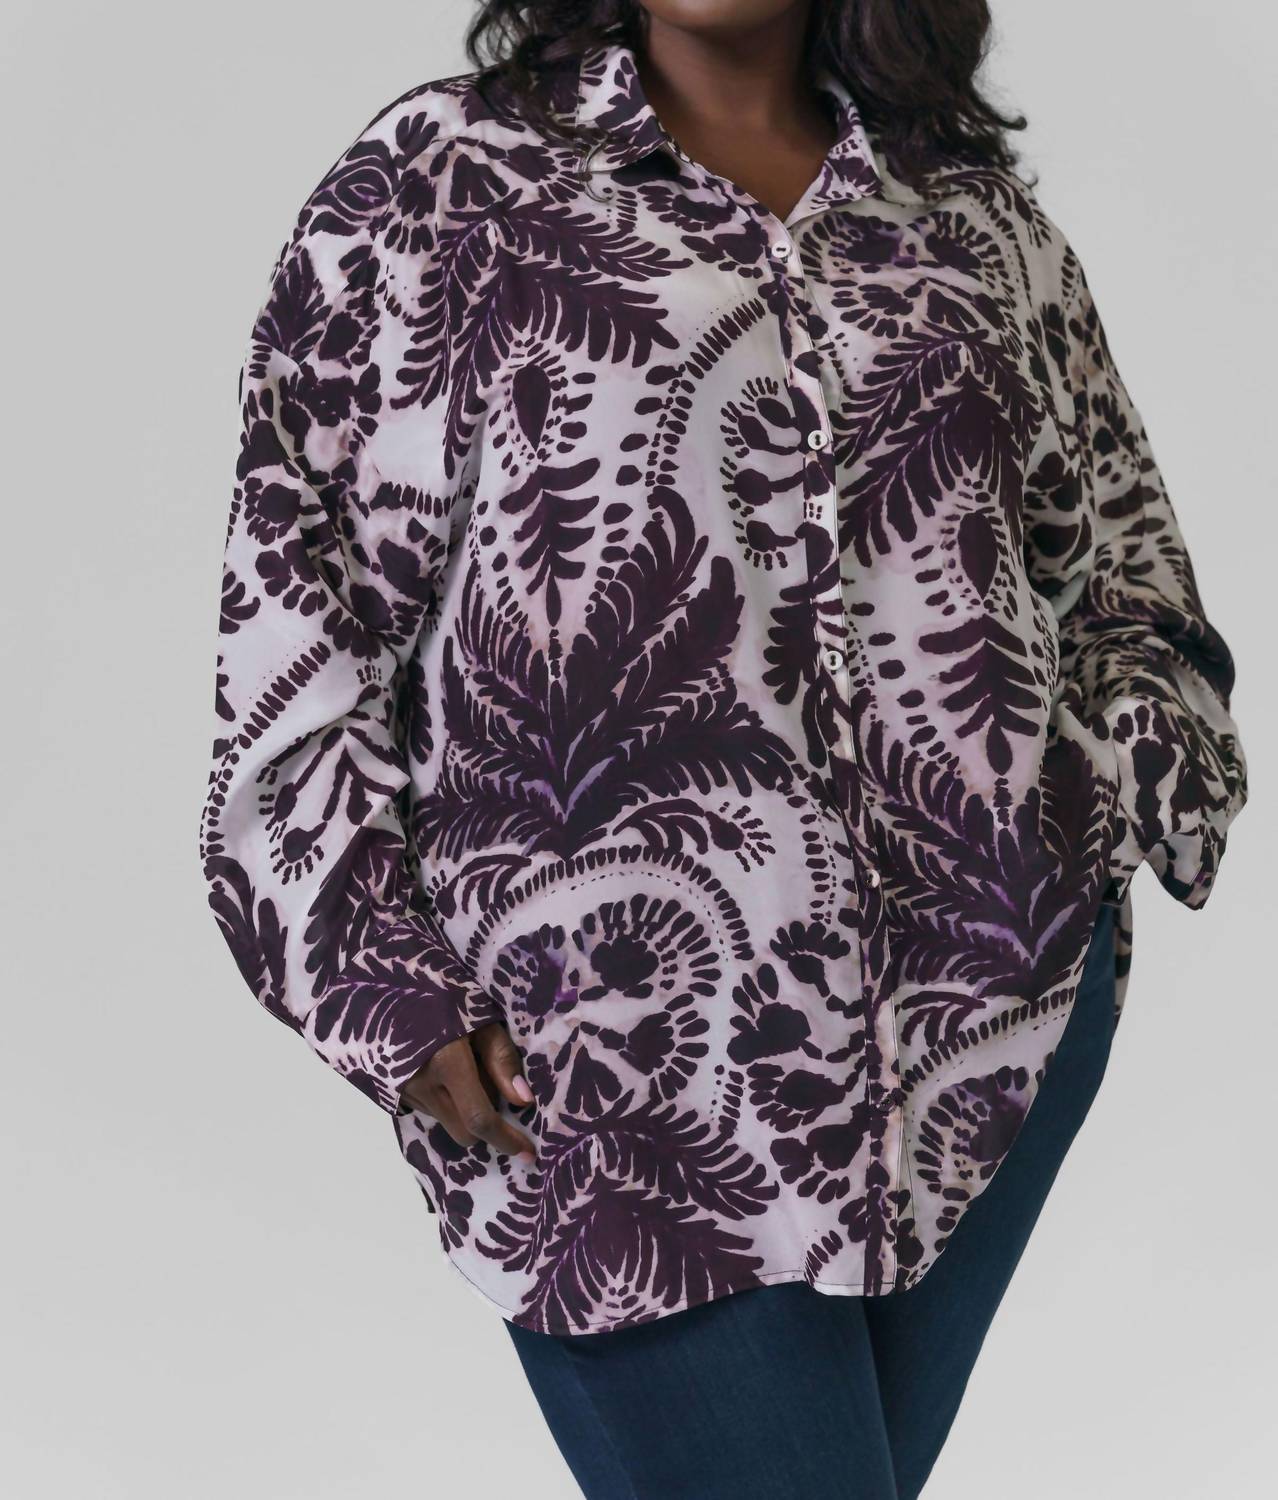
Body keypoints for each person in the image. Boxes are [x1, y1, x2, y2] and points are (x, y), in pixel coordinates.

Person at [198, 2, 1248, 1494]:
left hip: (984, 1041)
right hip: (609, 1069)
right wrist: (378, 979)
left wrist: (1094, 810)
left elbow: (1130, 587)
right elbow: (298, 613)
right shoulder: (444, 183)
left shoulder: (969, 218)